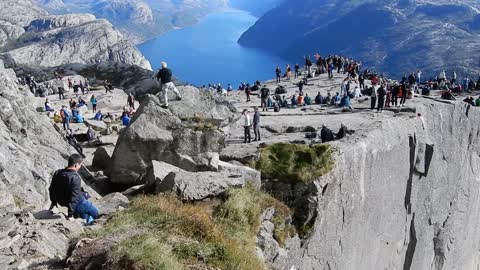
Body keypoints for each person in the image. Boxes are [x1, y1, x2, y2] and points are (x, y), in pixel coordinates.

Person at [49, 154, 98, 225]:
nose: (80, 166)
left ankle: (85, 220)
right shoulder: (75, 178)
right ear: (75, 165)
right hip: (78, 202)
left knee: (84, 211)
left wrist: (53, 202)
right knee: (96, 212)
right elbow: (74, 197)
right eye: (80, 165)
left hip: (64, 202)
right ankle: (89, 223)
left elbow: (51, 189)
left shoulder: (57, 173)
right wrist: (70, 215)